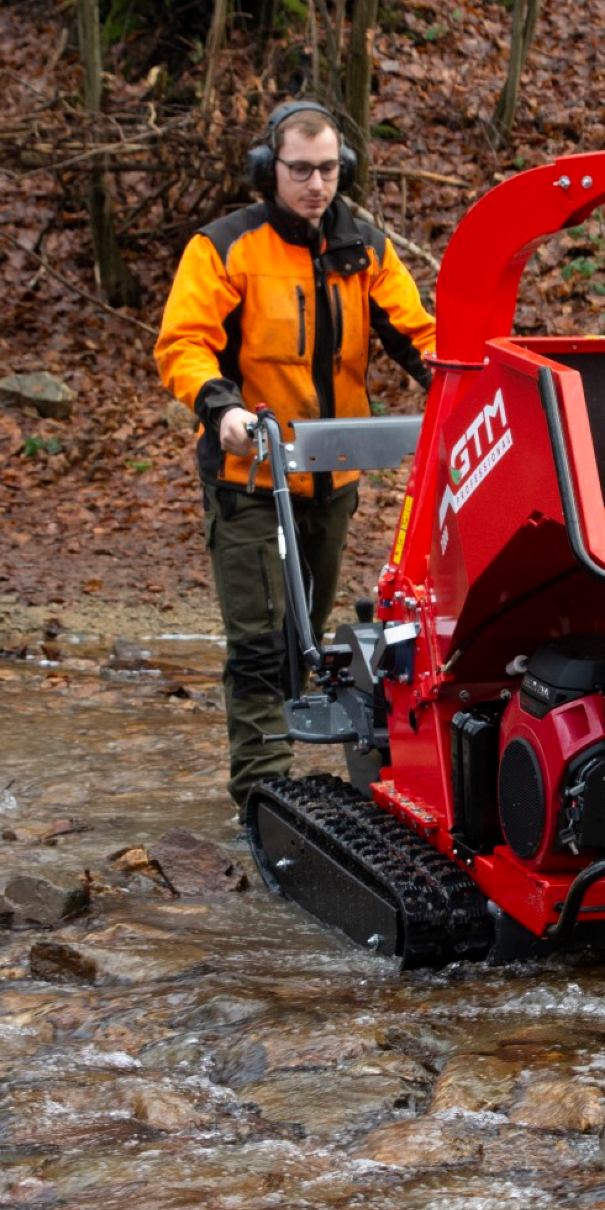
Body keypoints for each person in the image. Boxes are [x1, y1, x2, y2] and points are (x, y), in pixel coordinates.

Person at [155, 100, 436, 815]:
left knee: (309, 633)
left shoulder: (364, 246)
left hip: (331, 475)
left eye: (329, 169)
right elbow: (183, 343)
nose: (316, 184)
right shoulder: (224, 247)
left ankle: (342, 774)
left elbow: (417, 335)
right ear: (268, 171)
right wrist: (222, 408)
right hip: (249, 475)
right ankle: (262, 794)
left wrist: (460, 385)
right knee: (259, 641)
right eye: (301, 170)